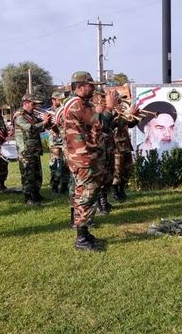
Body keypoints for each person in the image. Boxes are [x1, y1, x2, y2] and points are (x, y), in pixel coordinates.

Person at [63, 71, 115, 251]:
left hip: (86, 157)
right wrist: (109, 107)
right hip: (83, 158)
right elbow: (100, 122)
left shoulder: (79, 103)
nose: (93, 88)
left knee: (88, 195)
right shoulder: (77, 105)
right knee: (85, 196)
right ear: (79, 87)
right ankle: (81, 239)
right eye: (90, 85)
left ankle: (85, 234)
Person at [13, 93, 51, 205]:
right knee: (28, 175)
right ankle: (28, 197)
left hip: (34, 150)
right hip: (25, 150)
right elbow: (30, 129)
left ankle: (36, 194)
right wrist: (43, 122)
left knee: (37, 174)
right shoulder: (19, 116)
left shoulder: (32, 115)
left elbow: (42, 127)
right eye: (33, 104)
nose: (35, 106)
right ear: (25, 103)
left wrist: (47, 120)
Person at [112, 101, 139, 201]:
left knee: (128, 169)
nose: (119, 103)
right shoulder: (111, 113)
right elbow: (117, 124)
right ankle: (115, 191)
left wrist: (136, 117)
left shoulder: (122, 113)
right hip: (116, 147)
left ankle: (122, 189)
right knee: (117, 171)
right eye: (117, 101)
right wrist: (128, 114)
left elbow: (130, 124)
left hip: (126, 145)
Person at [47, 91, 70, 195]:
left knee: (66, 164)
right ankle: (54, 187)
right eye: (59, 99)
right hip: (55, 142)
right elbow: (46, 126)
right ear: (53, 100)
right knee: (56, 165)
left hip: (65, 140)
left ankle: (64, 186)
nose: (61, 101)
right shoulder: (48, 112)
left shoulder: (66, 110)